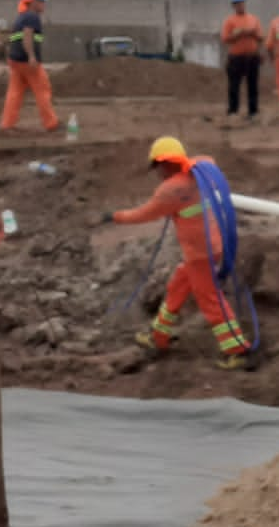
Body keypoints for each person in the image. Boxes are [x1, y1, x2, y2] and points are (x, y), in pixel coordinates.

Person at [104, 136, 251, 371]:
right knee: (177, 288)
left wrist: (114, 217)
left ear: (164, 164)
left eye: (159, 167)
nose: (158, 172)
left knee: (211, 301)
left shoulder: (171, 190)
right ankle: (158, 336)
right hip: (212, 247)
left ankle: (237, 349)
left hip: (199, 255)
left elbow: (143, 214)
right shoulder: (202, 172)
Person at [0, 0, 59, 133]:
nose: (43, 4)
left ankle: (7, 124)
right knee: (43, 90)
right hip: (27, 62)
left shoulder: (21, 16)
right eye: (41, 1)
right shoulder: (32, 17)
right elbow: (27, 36)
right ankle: (51, 123)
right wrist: (32, 56)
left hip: (16, 60)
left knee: (15, 92)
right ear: (33, 2)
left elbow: (14, 39)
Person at [220, 0, 264, 124]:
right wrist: (238, 34)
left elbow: (261, 37)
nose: (241, 6)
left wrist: (253, 34)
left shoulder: (253, 19)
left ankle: (253, 112)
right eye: (238, 4)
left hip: (252, 57)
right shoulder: (229, 21)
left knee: (253, 85)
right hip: (236, 58)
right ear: (233, 6)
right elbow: (225, 38)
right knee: (234, 86)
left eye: (242, 3)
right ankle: (233, 111)